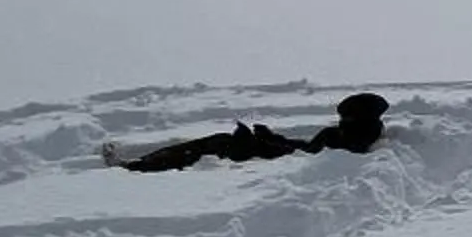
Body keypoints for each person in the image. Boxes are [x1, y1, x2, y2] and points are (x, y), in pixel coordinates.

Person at [102, 92, 390, 173]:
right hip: (274, 153)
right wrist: (272, 137)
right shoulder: (356, 132)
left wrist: (267, 143)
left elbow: (311, 158)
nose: (341, 120)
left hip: (274, 162)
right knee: (217, 143)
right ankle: (143, 164)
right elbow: (305, 148)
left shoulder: (357, 138)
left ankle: (138, 167)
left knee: (213, 145)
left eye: (346, 115)